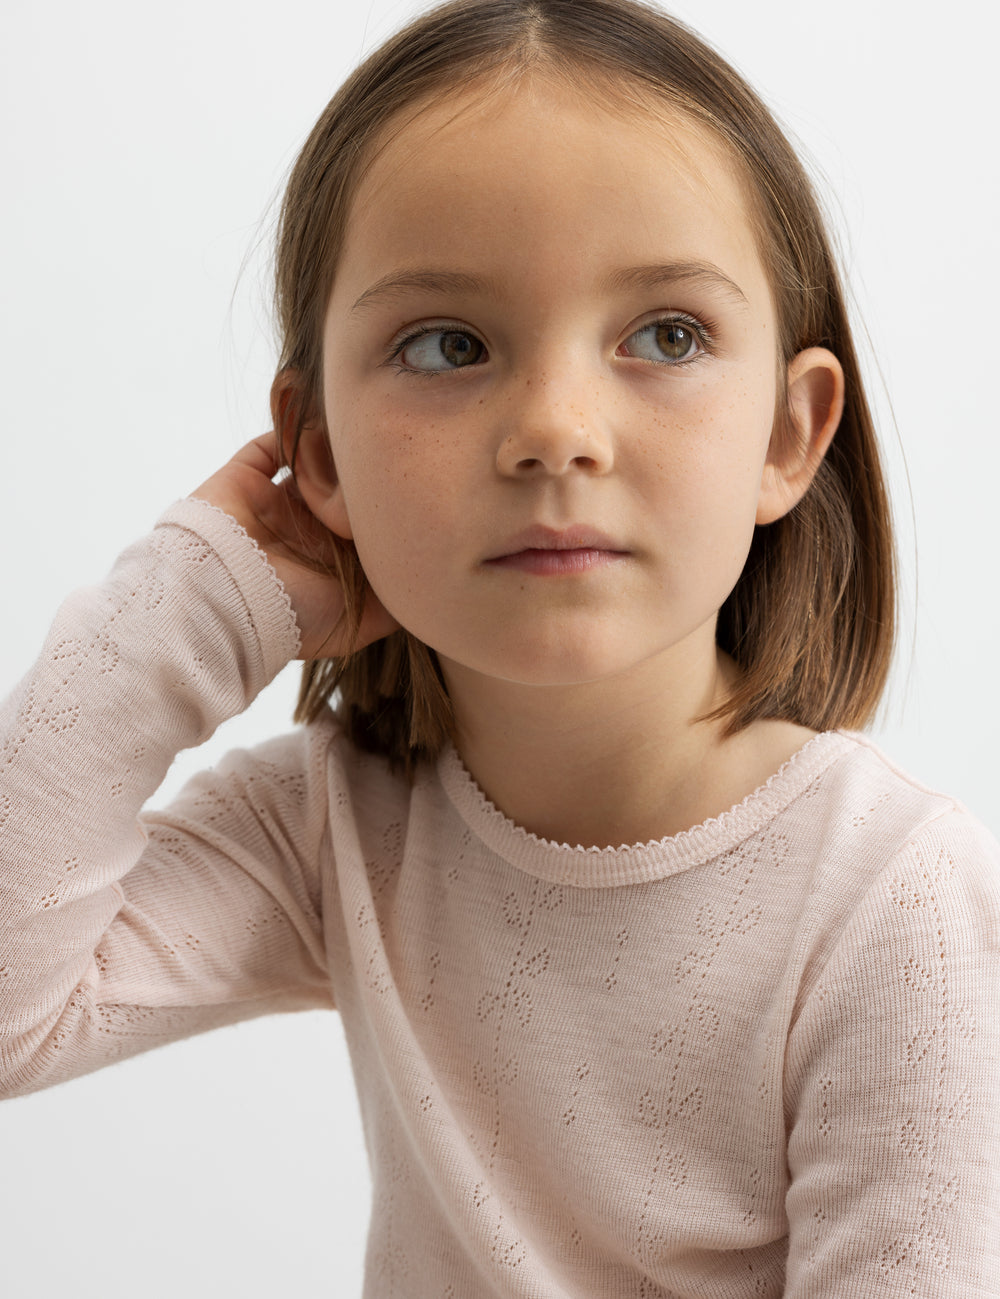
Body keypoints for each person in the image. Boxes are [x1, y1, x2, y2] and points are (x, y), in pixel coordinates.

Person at [2, 0, 998, 1293]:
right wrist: (205, 592)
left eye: (666, 336)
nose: (554, 430)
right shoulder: (336, 824)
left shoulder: (891, 904)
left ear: (787, 438)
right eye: (447, 346)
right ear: (318, 456)